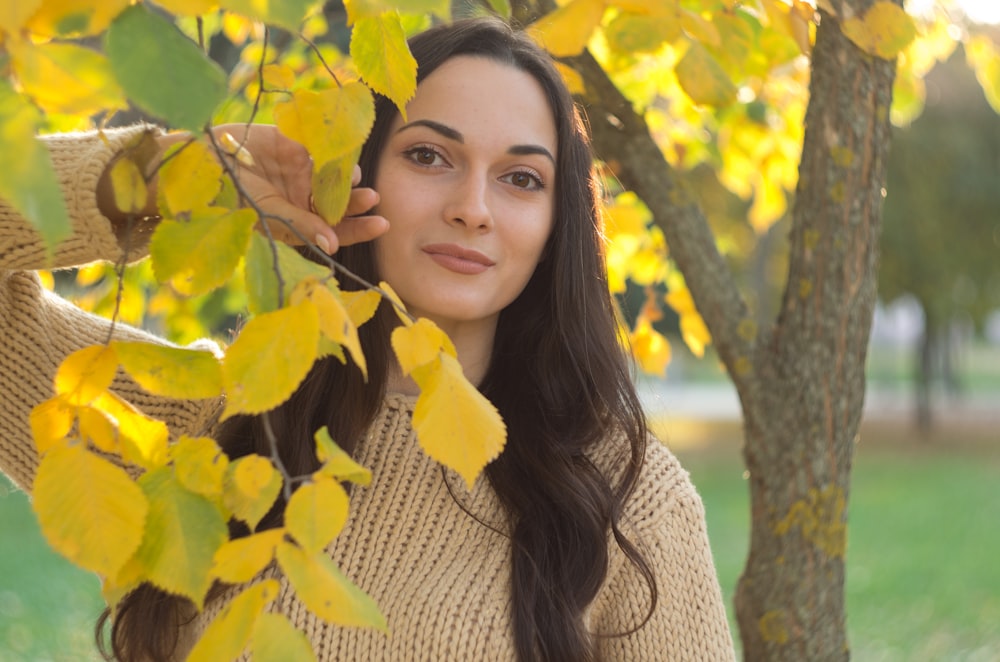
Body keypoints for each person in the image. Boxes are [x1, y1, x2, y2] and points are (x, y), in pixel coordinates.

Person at [0, 16, 736, 662]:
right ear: (355, 171)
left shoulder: (622, 499)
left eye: (520, 178)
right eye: (428, 156)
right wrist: (180, 177)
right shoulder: (204, 425)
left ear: (556, 226)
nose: (472, 209)